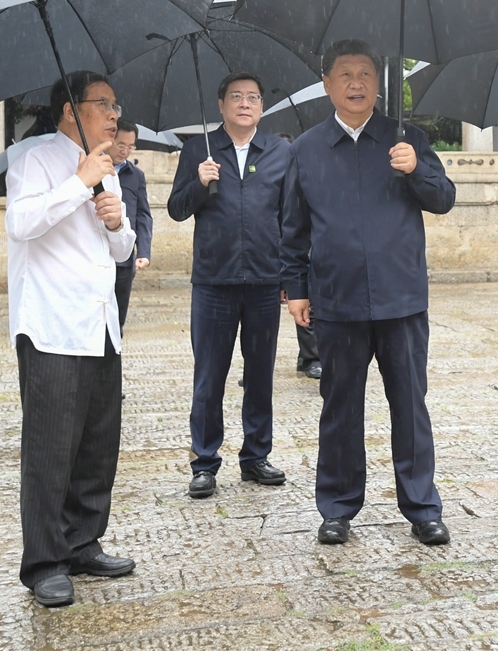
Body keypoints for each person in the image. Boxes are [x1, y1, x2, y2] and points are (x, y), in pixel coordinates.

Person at [280, 40, 456, 546]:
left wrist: (415, 168)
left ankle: (422, 507)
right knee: (339, 407)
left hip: (402, 300)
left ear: (379, 83)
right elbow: (293, 228)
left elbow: (443, 199)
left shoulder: (407, 139)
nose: (356, 83)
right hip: (337, 301)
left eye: (365, 73)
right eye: (345, 74)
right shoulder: (306, 149)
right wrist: (296, 288)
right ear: (327, 84)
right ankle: (337, 506)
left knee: (410, 405)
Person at [5, 71, 137, 608]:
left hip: (101, 323)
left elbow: (123, 252)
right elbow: (22, 223)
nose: (113, 114)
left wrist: (113, 223)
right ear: (69, 110)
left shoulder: (110, 167)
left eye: (114, 104)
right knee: (50, 449)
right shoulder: (31, 157)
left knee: (96, 446)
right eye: (102, 104)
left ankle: (83, 542)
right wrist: (78, 183)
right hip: (52, 325)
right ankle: (43, 562)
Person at [168, 72, 290, 499]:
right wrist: (199, 184)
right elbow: (177, 209)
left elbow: (289, 218)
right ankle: (204, 463)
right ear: (220, 105)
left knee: (260, 375)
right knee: (209, 376)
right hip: (214, 283)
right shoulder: (198, 151)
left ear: (261, 107)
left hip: (263, 282)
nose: (244, 103)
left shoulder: (279, 152)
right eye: (236, 96)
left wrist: (290, 277)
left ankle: (256, 456)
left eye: (253, 97)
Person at [275, 132, 322, 381]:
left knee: (310, 298)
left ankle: (310, 356)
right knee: (302, 300)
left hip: (312, 241)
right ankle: (310, 357)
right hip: (281, 242)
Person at [108, 120, 153, 332]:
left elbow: (144, 215)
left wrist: (143, 251)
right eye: (121, 145)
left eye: (131, 147)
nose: (126, 151)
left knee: (117, 321)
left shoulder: (136, 176)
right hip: (96, 254)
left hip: (125, 260)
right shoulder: (93, 170)